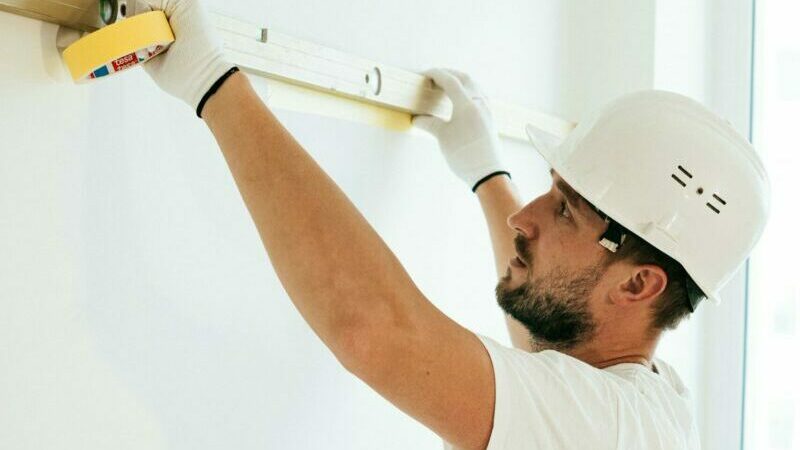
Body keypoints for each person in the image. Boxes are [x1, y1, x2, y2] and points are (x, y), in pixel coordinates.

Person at [140, 0, 771, 448]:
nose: (526, 217)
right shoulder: (643, 396)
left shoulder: (607, 431)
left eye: (565, 211)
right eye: (550, 193)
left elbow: (375, 330)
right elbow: (541, 334)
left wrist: (211, 83)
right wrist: (486, 173)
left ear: (638, 286)